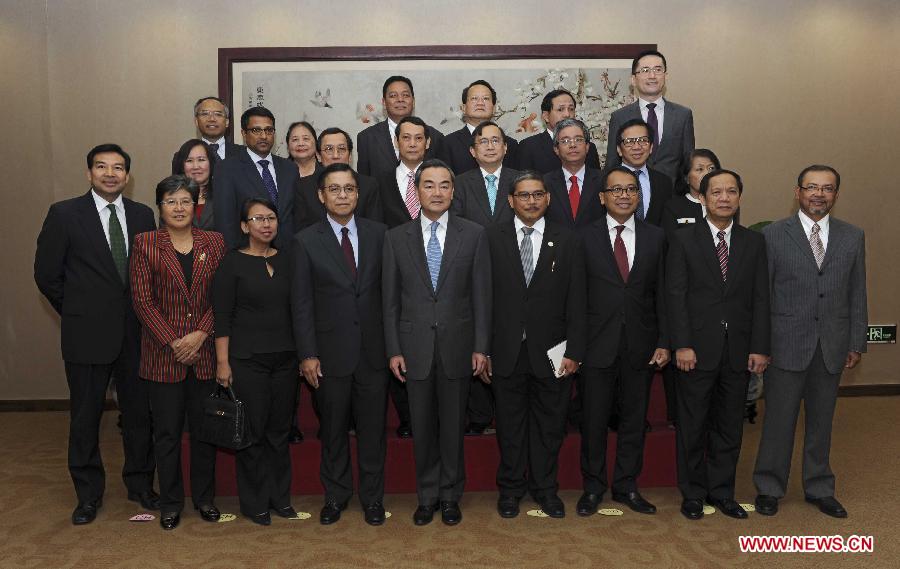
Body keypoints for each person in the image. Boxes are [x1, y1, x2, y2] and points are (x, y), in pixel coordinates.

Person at [35, 143, 158, 525]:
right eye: (102, 167)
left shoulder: (142, 215)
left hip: (136, 335)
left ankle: (140, 484)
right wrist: (77, 312)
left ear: (127, 176)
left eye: (118, 168)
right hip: (86, 334)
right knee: (85, 417)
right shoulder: (65, 214)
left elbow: (149, 272)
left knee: (139, 415)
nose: (110, 173)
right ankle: (88, 494)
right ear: (89, 173)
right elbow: (47, 275)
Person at [752, 165, 867, 519]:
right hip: (785, 345)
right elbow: (762, 295)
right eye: (812, 187)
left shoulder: (852, 236)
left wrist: (856, 340)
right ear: (798, 192)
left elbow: (856, 291)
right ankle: (769, 487)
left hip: (831, 345)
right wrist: (761, 344)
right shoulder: (773, 235)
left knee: (822, 422)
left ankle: (819, 487)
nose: (819, 194)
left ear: (836, 194)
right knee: (778, 423)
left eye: (828, 188)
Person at [382, 159, 491, 526]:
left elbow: (481, 297)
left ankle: (450, 495)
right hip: (414, 349)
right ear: (417, 191)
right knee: (424, 428)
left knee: (452, 428)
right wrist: (394, 348)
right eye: (429, 185)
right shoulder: (395, 237)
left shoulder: (473, 234)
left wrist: (480, 346)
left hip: (458, 347)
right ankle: (426, 496)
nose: (437, 192)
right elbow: (390, 301)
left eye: (445, 185)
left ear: (453, 191)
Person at [667, 169, 770, 521]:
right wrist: (681, 343)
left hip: (739, 351)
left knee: (730, 425)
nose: (724, 198)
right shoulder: (683, 240)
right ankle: (693, 493)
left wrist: (759, 347)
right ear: (703, 198)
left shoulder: (754, 242)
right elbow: (675, 295)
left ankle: (723, 491)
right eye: (716, 193)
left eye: (731, 192)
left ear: (739, 197)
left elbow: (761, 298)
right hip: (695, 350)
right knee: (693, 425)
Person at [293, 163, 390, 526]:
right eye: (334, 189)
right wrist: (307, 354)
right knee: (332, 431)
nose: (343, 195)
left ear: (357, 193)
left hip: (374, 352)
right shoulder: (305, 240)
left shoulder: (381, 234)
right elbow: (301, 303)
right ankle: (335, 496)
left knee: (372, 432)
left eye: (349, 189)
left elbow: (390, 296)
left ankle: (373, 499)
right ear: (321, 196)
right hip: (329, 354)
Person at [485, 171, 585, 519]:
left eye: (537, 194)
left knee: (549, 427)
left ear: (547, 199)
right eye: (523, 195)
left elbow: (578, 300)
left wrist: (575, 351)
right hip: (506, 350)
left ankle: (545, 489)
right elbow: (484, 299)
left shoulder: (568, 239)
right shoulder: (492, 238)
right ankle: (511, 489)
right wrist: (483, 349)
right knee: (510, 427)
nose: (531, 201)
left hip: (553, 352)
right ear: (510, 201)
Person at [130, 175, 227, 530]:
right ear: (160, 207)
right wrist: (174, 341)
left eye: (185, 201)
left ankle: (204, 498)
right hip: (163, 355)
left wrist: (201, 333)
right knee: (167, 434)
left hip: (203, 353)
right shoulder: (145, 243)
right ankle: (171, 502)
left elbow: (223, 296)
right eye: (171, 201)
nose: (179, 207)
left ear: (195, 204)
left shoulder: (215, 243)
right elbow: (142, 301)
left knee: (204, 433)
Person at [576, 167, 669, 517]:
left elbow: (664, 293)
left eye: (631, 189)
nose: (624, 195)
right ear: (602, 197)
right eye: (616, 190)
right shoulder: (583, 238)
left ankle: (627, 485)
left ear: (639, 194)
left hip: (641, 345)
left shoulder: (656, 237)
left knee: (633, 420)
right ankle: (593, 487)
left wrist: (664, 340)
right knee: (594, 421)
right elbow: (575, 297)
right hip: (595, 345)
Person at [212, 197, 299, 526]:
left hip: (285, 359)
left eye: (272, 218)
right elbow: (222, 316)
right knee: (253, 433)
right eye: (258, 219)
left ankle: (281, 499)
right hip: (247, 360)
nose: (266, 224)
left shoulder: (288, 259)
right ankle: (255, 502)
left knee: (279, 432)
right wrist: (223, 362)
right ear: (245, 226)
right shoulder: (232, 263)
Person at [450, 120, 520, 436]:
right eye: (483, 141)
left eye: (496, 140)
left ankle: (512, 408)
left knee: (509, 338)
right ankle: (479, 414)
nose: (490, 146)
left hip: (516, 274)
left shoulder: (522, 182)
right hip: (471, 272)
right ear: (472, 150)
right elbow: (457, 227)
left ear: (506, 147)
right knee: (476, 338)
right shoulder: (459, 184)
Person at [213, 106, 297, 250]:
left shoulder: (289, 168)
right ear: (244, 134)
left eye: (269, 130)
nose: (264, 136)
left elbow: (294, 214)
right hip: (248, 254)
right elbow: (225, 221)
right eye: (256, 130)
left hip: (288, 254)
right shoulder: (227, 168)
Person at [605, 50, 695, 181]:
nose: (652, 75)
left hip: (672, 193)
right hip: (633, 193)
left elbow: (689, 162)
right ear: (634, 79)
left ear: (666, 76)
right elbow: (612, 163)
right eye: (645, 70)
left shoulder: (683, 115)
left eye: (658, 70)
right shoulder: (619, 117)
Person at [293, 127, 383, 230]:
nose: (336, 155)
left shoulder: (368, 185)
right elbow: (301, 233)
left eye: (341, 149)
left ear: (350, 155)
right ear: (318, 155)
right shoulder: (303, 187)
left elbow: (376, 230)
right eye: (329, 149)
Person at [356, 76, 444, 178]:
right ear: (384, 102)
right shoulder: (367, 138)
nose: (400, 99)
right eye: (393, 96)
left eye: (405, 95)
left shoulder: (436, 137)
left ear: (413, 101)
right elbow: (364, 183)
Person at [516, 89, 602, 174]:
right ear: (546, 116)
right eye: (560, 109)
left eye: (571, 109)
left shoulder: (588, 147)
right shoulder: (529, 147)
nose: (567, 114)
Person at [441, 80, 518, 174]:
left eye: (485, 98)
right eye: (474, 98)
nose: (480, 103)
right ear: (463, 108)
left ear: (494, 109)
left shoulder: (511, 144)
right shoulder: (448, 143)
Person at [543, 118, 606, 230]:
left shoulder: (605, 180)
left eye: (578, 139)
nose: (572, 145)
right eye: (565, 141)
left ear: (587, 147)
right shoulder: (544, 183)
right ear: (556, 149)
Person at [612, 118, 674, 226]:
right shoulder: (604, 180)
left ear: (651, 147)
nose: (637, 147)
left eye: (643, 140)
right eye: (629, 141)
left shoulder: (664, 182)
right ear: (619, 150)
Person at [661, 149, 721, 239]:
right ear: (686, 178)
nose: (707, 174)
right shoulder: (673, 207)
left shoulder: (724, 203)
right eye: (699, 169)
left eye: (711, 168)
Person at [171, 96, 243, 170]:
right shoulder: (182, 157)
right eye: (205, 114)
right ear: (196, 121)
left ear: (227, 122)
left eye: (218, 114)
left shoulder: (244, 154)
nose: (212, 119)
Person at [172, 139, 216, 229]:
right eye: (189, 161)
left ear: (210, 163)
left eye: (201, 160)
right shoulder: (170, 198)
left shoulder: (223, 196)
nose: (196, 166)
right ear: (182, 166)